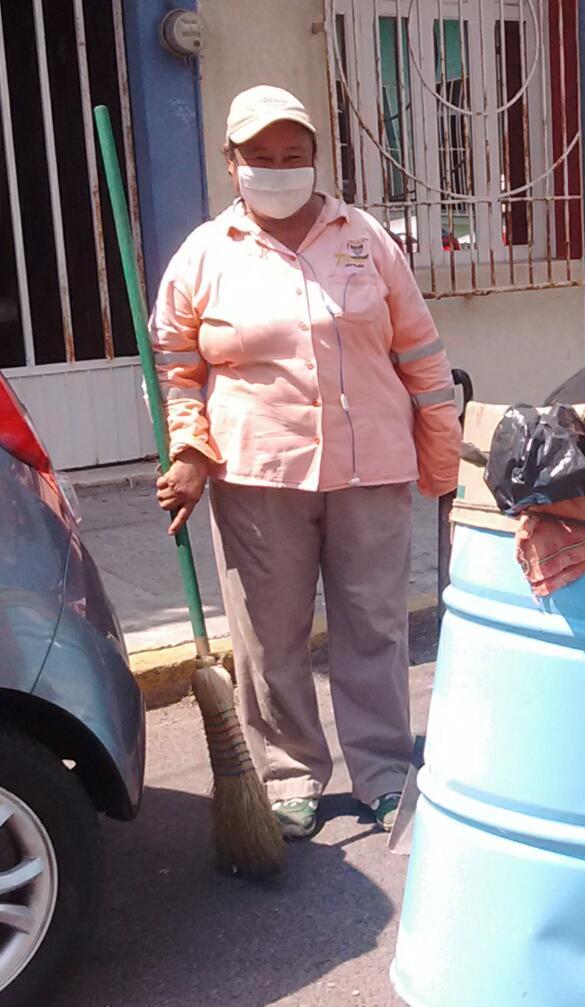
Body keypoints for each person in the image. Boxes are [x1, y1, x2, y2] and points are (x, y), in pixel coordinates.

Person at [150, 85, 461, 840]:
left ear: (317, 160)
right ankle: (291, 772)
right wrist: (189, 447)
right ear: (233, 163)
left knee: (375, 626)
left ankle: (386, 772)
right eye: (261, 157)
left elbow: (419, 350)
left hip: (372, 466)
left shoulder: (366, 239)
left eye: (294, 156)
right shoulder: (203, 254)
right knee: (270, 633)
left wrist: (444, 458)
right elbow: (176, 363)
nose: (279, 168)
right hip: (258, 471)